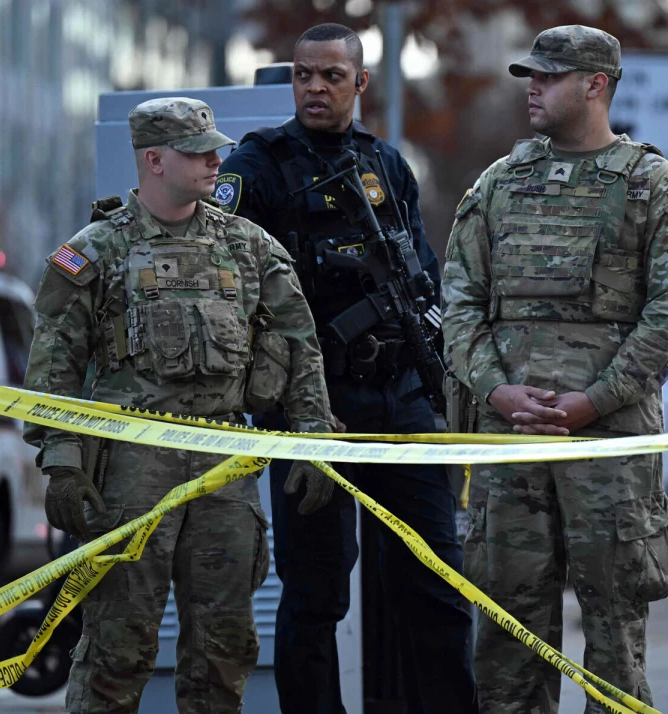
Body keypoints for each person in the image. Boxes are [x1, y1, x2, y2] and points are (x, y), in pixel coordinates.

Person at [22, 97, 334, 714]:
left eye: (214, 148)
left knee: (224, 646)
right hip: (132, 467)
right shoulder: (97, 250)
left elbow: (300, 341)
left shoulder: (248, 246)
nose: (216, 160)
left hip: (224, 465)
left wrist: (313, 436)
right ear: (155, 160)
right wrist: (60, 459)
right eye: (199, 152)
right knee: (118, 642)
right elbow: (54, 359)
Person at [442, 25, 668, 714]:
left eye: (550, 76)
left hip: (609, 448)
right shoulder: (500, 183)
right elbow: (459, 303)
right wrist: (495, 389)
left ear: (597, 84)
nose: (533, 86)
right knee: (506, 628)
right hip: (511, 442)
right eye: (530, 74)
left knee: (615, 626)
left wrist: (596, 400)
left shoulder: (651, 188)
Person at [214, 23, 477, 714]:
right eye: (304, 74)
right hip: (314, 410)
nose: (315, 87)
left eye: (332, 75)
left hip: (399, 399)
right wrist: (291, 404)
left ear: (360, 84)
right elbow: (237, 301)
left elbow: (423, 276)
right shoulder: (258, 166)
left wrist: (436, 376)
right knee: (317, 593)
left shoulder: (386, 165)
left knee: (435, 576)